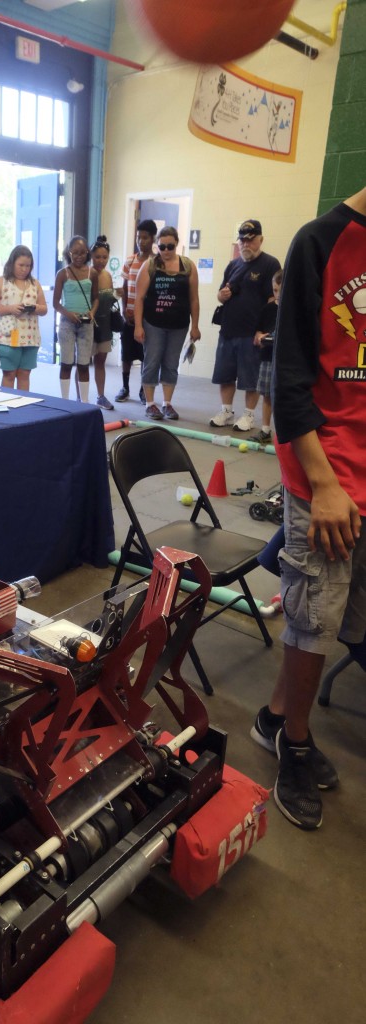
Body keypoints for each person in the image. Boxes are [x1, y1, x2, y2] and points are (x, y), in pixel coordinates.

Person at [250, 190, 366, 830]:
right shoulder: (320, 240)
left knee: (339, 616)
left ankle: (273, 719)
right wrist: (322, 483)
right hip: (326, 470)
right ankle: (293, 743)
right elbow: (288, 377)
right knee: (312, 617)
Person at [209, 219, 280, 432]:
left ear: (260, 239)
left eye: (250, 240)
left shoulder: (270, 264)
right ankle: (227, 411)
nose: (245, 244)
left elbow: (273, 300)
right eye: (242, 240)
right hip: (229, 330)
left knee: (251, 378)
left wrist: (264, 329)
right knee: (225, 374)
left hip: (252, 332)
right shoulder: (233, 265)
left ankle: (249, 416)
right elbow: (221, 295)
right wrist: (221, 295)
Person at [132, 226, 200, 421]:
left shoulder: (188, 266)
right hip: (153, 323)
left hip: (179, 325)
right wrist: (138, 325)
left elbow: (194, 298)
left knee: (171, 364)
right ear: (157, 246)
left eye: (170, 246)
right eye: (162, 246)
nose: (166, 251)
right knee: (152, 361)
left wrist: (195, 326)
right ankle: (150, 403)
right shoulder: (150, 266)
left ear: (176, 244)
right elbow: (139, 298)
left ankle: (167, 403)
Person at [0, 245, 47, 390]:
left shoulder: (34, 284)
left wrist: (36, 308)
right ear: (12, 263)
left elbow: (44, 309)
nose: (24, 269)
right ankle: (7, 404)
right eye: (21, 265)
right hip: (8, 338)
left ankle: (23, 406)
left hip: (30, 338)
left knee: (25, 374)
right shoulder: (2, 282)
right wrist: (10, 309)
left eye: (28, 265)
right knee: (9, 374)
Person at [115, 219, 157, 403]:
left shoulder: (156, 262)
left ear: (153, 238)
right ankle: (125, 387)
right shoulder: (130, 260)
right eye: (139, 237)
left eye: (145, 238)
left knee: (145, 355)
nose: (141, 241)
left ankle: (143, 390)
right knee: (126, 354)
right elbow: (124, 286)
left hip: (147, 318)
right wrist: (125, 310)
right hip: (129, 317)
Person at [52, 235, 98, 402]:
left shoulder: (92, 273)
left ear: (87, 253)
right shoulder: (62, 274)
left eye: (83, 253)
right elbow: (55, 303)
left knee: (84, 364)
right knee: (66, 362)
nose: (79, 256)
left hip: (86, 323)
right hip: (67, 324)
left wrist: (92, 312)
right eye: (75, 253)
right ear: (69, 253)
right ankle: (65, 399)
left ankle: (84, 401)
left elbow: (96, 298)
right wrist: (68, 314)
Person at [250, 268, 283, 444]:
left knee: (283, 396)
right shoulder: (268, 309)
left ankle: (285, 433)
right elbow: (258, 332)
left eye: (281, 290)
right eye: (275, 290)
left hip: (286, 361)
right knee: (267, 395)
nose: (277, 294)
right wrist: (260, 338)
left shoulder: (294, 310)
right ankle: (265, 429)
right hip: (268, 358)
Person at [90, 236, 116, 410]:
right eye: (97, 257)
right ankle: (80, 398)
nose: (101, 261)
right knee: (83, 363)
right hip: (88, 324)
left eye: (104, 257)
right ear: (91, 256)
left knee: (101, 361)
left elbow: (110, 300)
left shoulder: (108, 275)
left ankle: (101, 395)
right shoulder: (87, 274)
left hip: (105, 325)